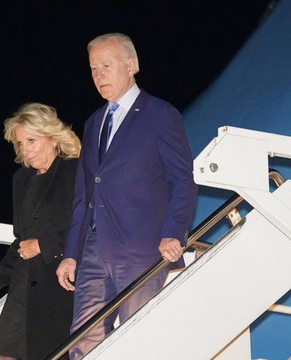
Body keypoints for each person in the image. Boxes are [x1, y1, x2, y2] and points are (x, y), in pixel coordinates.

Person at [55, 33, 197, 359]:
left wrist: (172, 233)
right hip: (93, 250)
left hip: (141, 249)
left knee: (137, 340)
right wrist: (71, 253)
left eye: (106, 65)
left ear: (131, 65)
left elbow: (182, 181)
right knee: (83, 340)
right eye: (93, 69)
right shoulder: (93, 123)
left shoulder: (160, 114)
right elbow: (84, 197)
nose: (99, 75)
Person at [0, 102, 81, 360]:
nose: (25, 150)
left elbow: (90, 225)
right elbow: (21, 241)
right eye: (20, 143)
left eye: (31, 141)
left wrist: (45, 245)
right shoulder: (21, 179)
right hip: (23, 286)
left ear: (53, 138)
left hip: (59, 284)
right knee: (0, 356)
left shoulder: (75, 171)